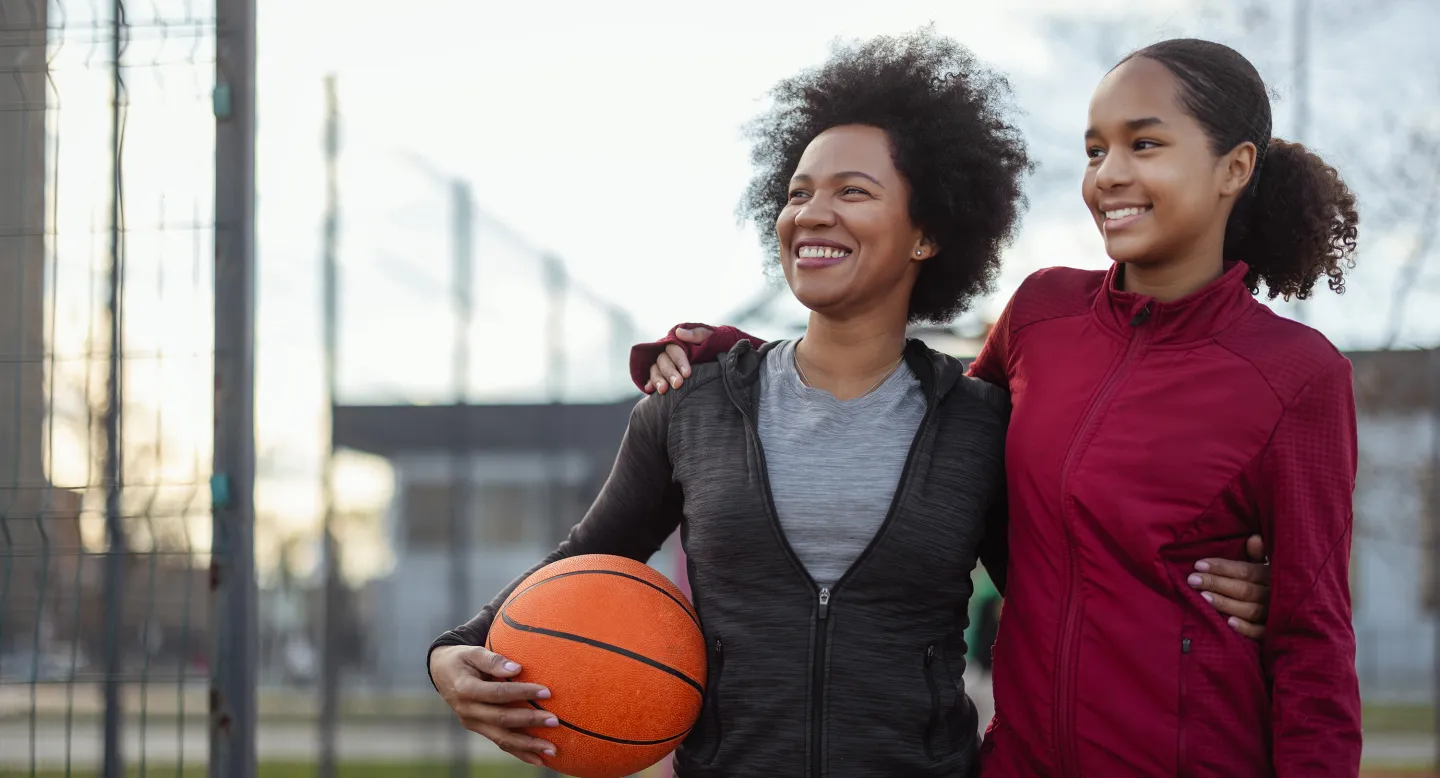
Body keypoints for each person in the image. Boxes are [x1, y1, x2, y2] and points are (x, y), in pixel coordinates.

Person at [430, 30, 1272, 777]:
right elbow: (587, 556)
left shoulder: (978, 422)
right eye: (798, 192)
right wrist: (455, 652)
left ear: (927, 233)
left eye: (853, 192)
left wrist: (1230, 589)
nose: (812, 213)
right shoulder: (690, 405)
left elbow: (1076, 589)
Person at [632, 38, 1360, 776]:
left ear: (1234, 167)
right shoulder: (1043, 313)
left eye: (1144, 144)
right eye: (1094, 149)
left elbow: (1315, 647)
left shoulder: (1297, 377)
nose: (1109, 175)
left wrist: (1281, 598)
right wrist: (740, 360)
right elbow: (910, 412)